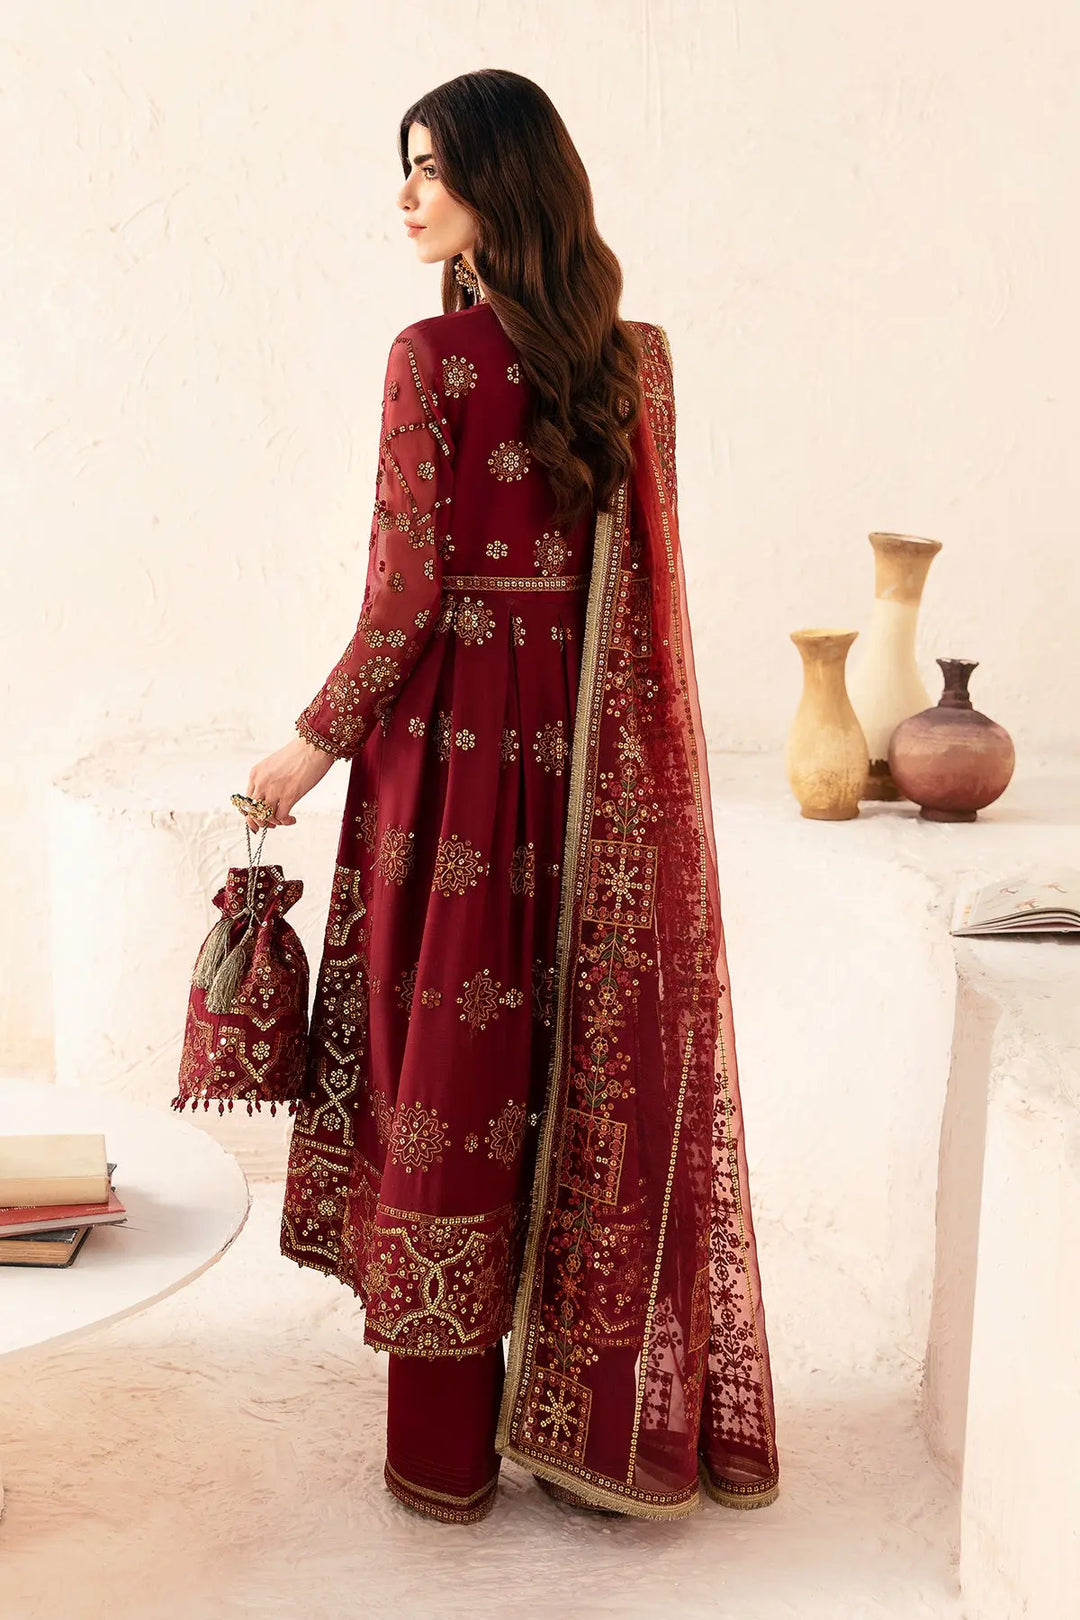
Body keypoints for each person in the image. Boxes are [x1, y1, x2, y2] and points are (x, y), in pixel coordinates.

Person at [242, 68, 780, 1524]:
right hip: (590, 762)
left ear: (503, 177)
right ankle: (588, 1419)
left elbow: (407, 594)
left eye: (432, 167)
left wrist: (309, 744)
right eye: (406, 166)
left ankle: (448, 1453)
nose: (406, 195)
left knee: (453, 1072)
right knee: (565, 1054)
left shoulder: (429, 357)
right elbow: (645, 594)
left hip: (454, 759)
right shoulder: (633, 361)